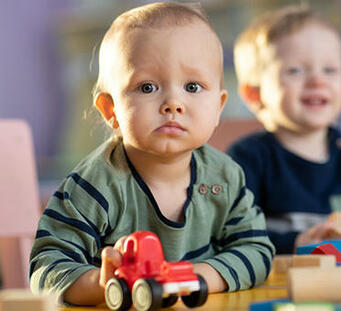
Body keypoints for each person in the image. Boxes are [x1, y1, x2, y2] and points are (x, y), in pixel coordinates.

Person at [29, 2, 274, 306]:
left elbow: (257, 250)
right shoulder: (91, 187)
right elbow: (45, 269)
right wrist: (101, 282)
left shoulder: (224, 177)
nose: (173, 102)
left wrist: (196, 277)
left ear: (218, 107)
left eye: (193, 86)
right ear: (110, 110)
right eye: (147, 87)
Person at [228, 5, 341, 255]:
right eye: (295, 70)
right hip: (277, 283)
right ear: (255, 94)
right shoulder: (248, 157)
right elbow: (235, 232)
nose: (318, 80)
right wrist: (296, 242)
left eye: (330, 70)